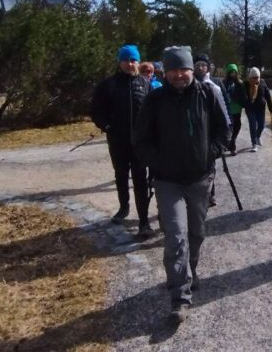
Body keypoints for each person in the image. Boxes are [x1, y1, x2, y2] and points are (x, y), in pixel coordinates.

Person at [134, 46, 229, 322]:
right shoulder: (155, 99)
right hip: (167, 180)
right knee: (175, 236)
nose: (179, 74)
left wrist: (210, 152)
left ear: (192, 70)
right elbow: (140, 139)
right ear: (165, 71)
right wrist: (158, 161)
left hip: (200, 178)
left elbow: (225, 129)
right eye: (173, 69)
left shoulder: (208, 93)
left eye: (184, 69)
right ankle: (180, 296)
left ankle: (190, 269)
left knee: (196, 233)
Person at [89, 44, 153, 238]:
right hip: (118, 141)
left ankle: (143, 221)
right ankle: (123, 207)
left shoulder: (145, 83)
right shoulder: (109, 84)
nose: (129, 63)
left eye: (133, 60)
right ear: (120, 62)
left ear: (138, 62)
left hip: (140, 143)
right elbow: (95, 110)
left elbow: (153, 111)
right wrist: (107, 127)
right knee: (121, 175)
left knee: (141, 180)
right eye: (125, 60)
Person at [193, 53, 231, 208]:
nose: (201, 68)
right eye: (198, 65)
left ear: (208, 67)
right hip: (197, 130)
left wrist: (228, 126)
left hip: (213, 130)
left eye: (203, 65)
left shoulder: (216, 83)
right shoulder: (190, 83)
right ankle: (199, 193)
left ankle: (211, 194)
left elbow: (225, 104)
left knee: (211, 164)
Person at [243, 67, 272, 152]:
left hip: (261, 108)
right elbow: (243, 97)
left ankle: (257, 137)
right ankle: (254, 144)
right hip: (250, 108)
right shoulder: (246, 84)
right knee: (253, 125)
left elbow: (267, 94)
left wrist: (271, 106)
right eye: (255, 77)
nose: (257, 79)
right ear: (251, 77)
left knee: (261, 125)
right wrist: (247, 102)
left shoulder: (262, 82)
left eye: (258, 77)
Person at [222, 63, 246, 154]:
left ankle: (232, 140)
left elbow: (243, 96)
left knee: (237, 126)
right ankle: (232, 146)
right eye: (231, 72)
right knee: (229, 128)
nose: (232, 74)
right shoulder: (223, 83)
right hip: (227, 109)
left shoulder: (240, 83)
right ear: (228, 72)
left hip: (237, 109)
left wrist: (242, 102)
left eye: (234, 72)